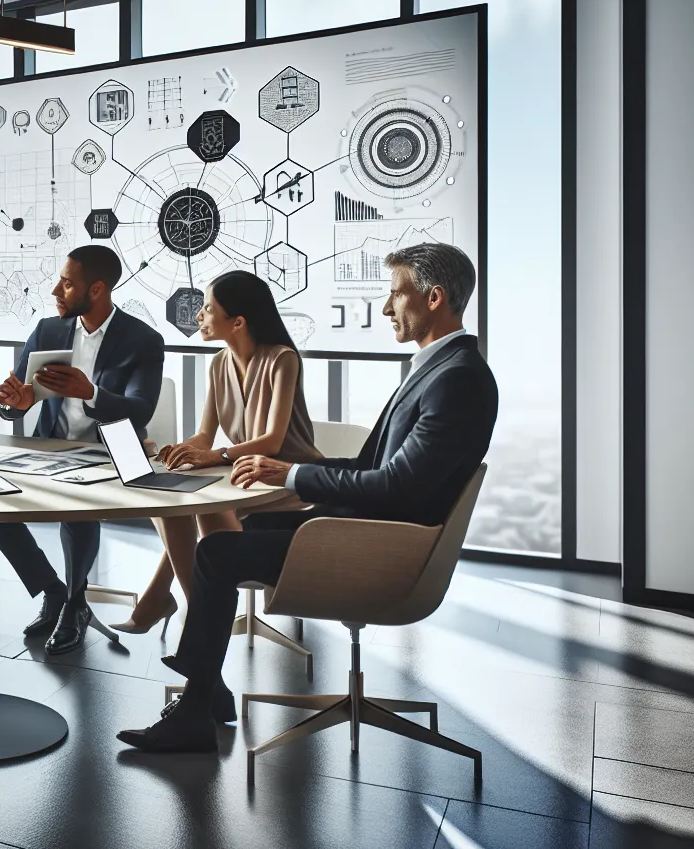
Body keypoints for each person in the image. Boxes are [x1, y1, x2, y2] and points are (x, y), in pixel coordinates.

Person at [119, 242, 497, 753]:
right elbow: (375, 470)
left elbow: (396, 486)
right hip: (363, 525)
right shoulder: (442, 369)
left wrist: (293, 473)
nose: (387, 309)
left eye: (395, 295)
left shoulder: (456, 380)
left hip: (375, 545)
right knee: (230, 536)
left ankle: (197, 705)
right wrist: (295, 473)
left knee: (216, 553)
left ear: (433, 298)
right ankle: (204, 694)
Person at [113, 270, 321, 634]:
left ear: (237, 322)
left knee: (184, 507)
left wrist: (215, 456)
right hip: (242, 479)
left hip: (286, 486)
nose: (198, 316)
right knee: (170, 499)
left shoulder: (282, 359)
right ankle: (192, 606)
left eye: (207, 309)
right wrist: (180, 450)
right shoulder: (219, 363)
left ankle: (182, 607)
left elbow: (272, 441)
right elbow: (206, 435)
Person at [0, 245, 165, 655]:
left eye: (67, 283)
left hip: (114, 450)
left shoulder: (143, 340)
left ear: (97, 289)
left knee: (78, 506)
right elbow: (10, 397)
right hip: (51, 448)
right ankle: (55, 589)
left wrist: (92, 393)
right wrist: (14, 402)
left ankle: (72, 604)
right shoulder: (48, 330)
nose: (56, 290)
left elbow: (141, 410)